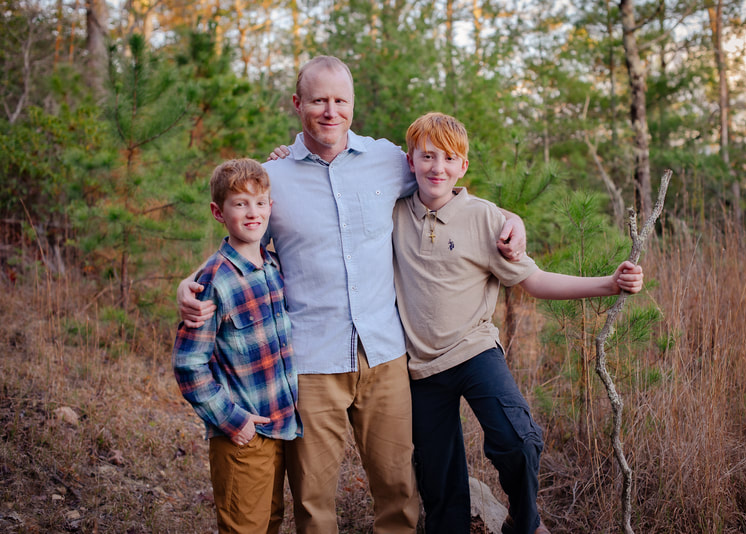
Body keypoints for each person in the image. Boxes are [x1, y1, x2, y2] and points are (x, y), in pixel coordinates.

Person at [177, 56, 527, 534]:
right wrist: (191, 282)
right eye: (318, 100)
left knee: (398, 491)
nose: (330, 111)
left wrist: (512, 218)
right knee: (314, 499)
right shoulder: (272, 179)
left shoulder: (387, 161)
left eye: (340, 101)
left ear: (352, 105)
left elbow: (444, 186)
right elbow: (240, 238)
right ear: (298, 104)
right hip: (313, 361)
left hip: (385, 356)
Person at [393, 112, 645, 534]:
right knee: (439, 481)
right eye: (428, 156)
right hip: (420, 367)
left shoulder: (487, 219)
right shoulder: (394, 211)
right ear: (410, 160)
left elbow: (535, 281)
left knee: (518, 440)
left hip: (474, 351)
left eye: (449, 158)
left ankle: (524, 522)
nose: (438, 167)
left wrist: (609, 284)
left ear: (463, 167)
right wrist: (290, 155)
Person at [172, 158, 301, 534]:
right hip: (243, 435)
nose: (252, 212)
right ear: (218, 212)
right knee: (245, 527)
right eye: (240, 203)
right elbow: (188, 364)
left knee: (270, 521)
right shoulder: (212, 281)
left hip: (280, 427)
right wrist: (233, 420)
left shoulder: (273, 267)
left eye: (260, 202)